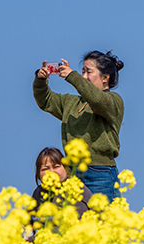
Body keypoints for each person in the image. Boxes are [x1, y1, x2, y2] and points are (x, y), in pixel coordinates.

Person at [33, 50, 125, 199]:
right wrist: (40, 80)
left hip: (100, 173)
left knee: (103, 220)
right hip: (73, 174)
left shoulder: (114, 101)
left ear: (105, 78)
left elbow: (97, 100)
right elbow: (46, 100)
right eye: (82, 72)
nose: (83, 77)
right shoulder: (71, 102)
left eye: (88, 72)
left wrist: (72, 76)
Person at [30, 147, 93, 218]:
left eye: (56, 167)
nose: (51, 172)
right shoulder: (38, 192)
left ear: (66, 168)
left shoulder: (75, 192)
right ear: (38, 175)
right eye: (45, 169)